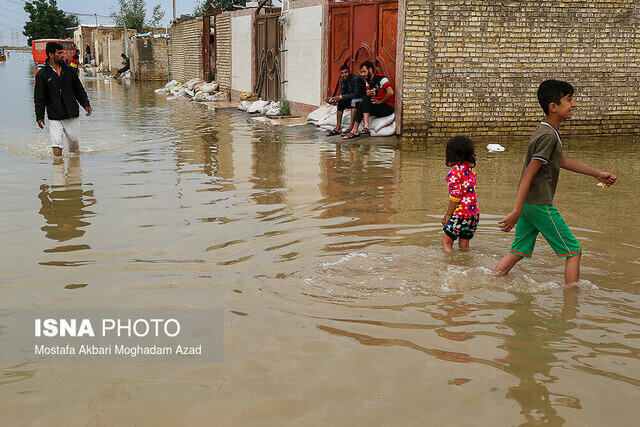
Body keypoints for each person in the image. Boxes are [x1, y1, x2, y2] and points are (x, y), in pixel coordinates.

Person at [492, 80, 617, 285]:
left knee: (519, 251)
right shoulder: (548, 135)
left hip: (529, 204)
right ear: (553, 107)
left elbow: (561, 161)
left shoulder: (546, 130)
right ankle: (571, 303)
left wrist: (597, 174)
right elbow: (527, 175)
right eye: (569, 100)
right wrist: (515, 211)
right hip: (539, 204)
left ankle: (491, 281)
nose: (574, 104)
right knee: (574, 251)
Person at [34, 41, 92, 157]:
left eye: (63, 52)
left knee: (74, 142)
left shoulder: (70, 71)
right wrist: (39, 116)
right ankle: (58, 168)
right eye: (59, 53)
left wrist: (86, 105)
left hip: (72, 113)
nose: (63, 55)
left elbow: (79, 90)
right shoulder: (42, 74)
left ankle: (74, 165)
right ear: (51, 55)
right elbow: (39, 97)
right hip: (54, 115)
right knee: (57, 143)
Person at [442, 136, 480, 253]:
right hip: (473, 214)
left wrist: (448, 215)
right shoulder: (471, 171)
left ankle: (451, 266)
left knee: (446, 243)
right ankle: (466, 265)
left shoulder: (454, 172)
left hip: (459, 214)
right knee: (464, 246)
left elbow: (455, 196)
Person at [343, 60, 395, 140]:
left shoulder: (382, 78)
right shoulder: (367, 81)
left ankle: (357, 129)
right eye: (361, 72)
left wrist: (381, 101)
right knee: (362, 101)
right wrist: (369, 93)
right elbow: (366, 93)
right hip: (375, 107)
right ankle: (357, 129)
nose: (362, 74)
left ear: (370, 70)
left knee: (364, 100)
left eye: (364, 71)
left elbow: (391, 92)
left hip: (387, 107)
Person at [326, 64, 366, 137]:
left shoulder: (356, 79)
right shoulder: (343, 81)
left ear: (349, 72)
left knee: (354, 101)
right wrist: (337, 99)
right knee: (341, 103)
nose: (344, 75)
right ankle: (338, 128)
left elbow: (356, 94)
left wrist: (341, 97)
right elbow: (343, 95)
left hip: (362, 100)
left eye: (346, 72)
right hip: (352, 99)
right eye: (342, 73)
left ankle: (351, 127)